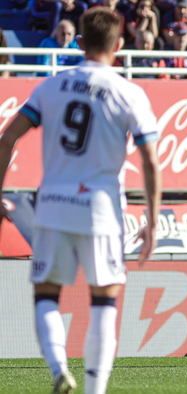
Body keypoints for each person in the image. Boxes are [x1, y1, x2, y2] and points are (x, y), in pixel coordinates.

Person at [0, 8, 161, 394]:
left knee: (45, 295)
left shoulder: (51, 87)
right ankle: (94, 389)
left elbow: (6, 140)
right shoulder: (129, 92)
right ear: (119, 46)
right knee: (103, 302)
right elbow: (150, 160)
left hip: (53, 205)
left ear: (79, 43)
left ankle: (58, 369)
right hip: (102, 210)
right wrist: (153, 221)